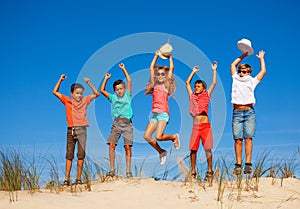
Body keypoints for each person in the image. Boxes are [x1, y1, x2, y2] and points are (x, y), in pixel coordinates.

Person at [53, 75, 100, 186]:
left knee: (81, 154)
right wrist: (60, 80)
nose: (79, 95)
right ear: (72, 93)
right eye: (77, 93)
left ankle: (78, 179)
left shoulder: (85, 100)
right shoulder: (67, 100)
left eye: (81, 93)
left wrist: (89, 84)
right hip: (71, 130)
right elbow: (55, 91)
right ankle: (67, 179)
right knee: (69, 155)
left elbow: (97, 94)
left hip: (82, 130)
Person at [230, 50, 266, 175]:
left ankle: (248, 164)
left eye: (244, 71)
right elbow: (232, 65)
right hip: (237, 112)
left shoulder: (252, 81)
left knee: (248, 138)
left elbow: (263, 72)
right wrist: (243, 55)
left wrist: (261, 59)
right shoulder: (235, 78)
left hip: (249, 112)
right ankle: (238, 164)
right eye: (240, 71)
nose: (240, 73)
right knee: (237, 139)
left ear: (249, 73)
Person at [143, 50, 180, 166]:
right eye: (158, 74)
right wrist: (156, 55)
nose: (160, 76)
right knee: (146, 136)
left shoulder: (166, 85)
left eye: (162, 74)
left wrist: (170, 58)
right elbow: (151, 68)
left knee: (158, 137)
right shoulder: (154, 85)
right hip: (155, 114)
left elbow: (172, 69)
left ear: (165, 76)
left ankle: (174, 137)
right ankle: (161, 151)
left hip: (164, 113)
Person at [185, 62, 218, 182]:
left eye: (198, 86)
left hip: (205, 126)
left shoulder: (206, 95)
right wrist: (193, 72)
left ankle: (209, 171)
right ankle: (193, 171)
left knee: (207, 148)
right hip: (196, 126)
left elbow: (214, 83)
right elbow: (187, 83)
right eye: (195, 86)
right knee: (193, 149)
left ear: (203, 88)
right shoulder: (192, 96)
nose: (196, 87)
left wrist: (214, 70)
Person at [100, 63, 134, 178]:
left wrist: (124, 69)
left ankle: (128, 171)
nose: (119, 91)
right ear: (115, 91)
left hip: (128, 124)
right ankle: (112, 170)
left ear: (124, 89)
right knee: (112, 145)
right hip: (116, 124)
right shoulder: (113, 98)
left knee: (127, 146)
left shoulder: (128, 95)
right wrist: (106, 78)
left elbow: (129, 79)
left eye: (121, 89)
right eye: (117, 90)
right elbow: (102, 90)